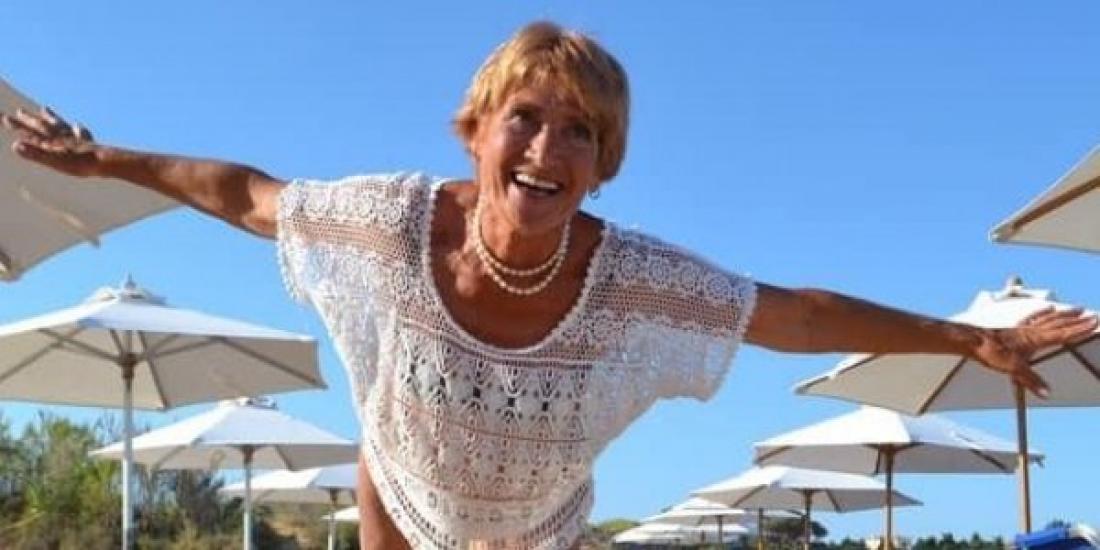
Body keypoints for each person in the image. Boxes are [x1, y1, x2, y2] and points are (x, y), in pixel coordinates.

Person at [3, 21, 1094, 550]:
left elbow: (792, 312)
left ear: (602, 166)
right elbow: (246, 194)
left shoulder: (632, 284)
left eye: (580, 133)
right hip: (401, 499)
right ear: (474, 131)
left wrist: (965, 336)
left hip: (541, 528)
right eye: (525, 119)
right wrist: (105, 161)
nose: (546, 149)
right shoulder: (393, 224)